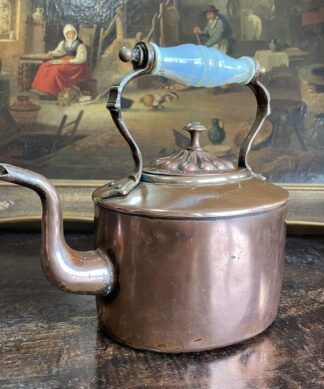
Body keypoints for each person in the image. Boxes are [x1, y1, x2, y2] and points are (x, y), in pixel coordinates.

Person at [32, 24, 89, 97]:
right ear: (65, 34)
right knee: (45, 65)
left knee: (56, 70)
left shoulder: (80, 45)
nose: (70, 35)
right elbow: (60, 52)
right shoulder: (64, 42)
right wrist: (52, 53)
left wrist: (69, 61)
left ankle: (52, 91)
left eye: (72, 33)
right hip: (65, 60)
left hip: (76, 64)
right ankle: (43, 89)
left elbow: (81, 58)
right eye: (68, 34)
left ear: (75, 33)